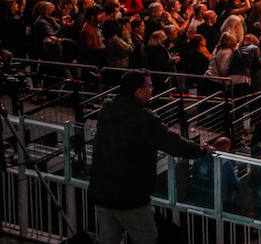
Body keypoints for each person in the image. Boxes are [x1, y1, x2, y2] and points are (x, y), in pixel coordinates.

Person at [89, 70, 211, 244]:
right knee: (146, 238)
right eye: (149, 85)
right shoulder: (144, 118)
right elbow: (172, 143)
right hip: (130, 197)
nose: (152, 89)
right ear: (138, 90)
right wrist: (201, 150)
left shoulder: (107, 110)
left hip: (101, 192)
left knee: (108, 239)